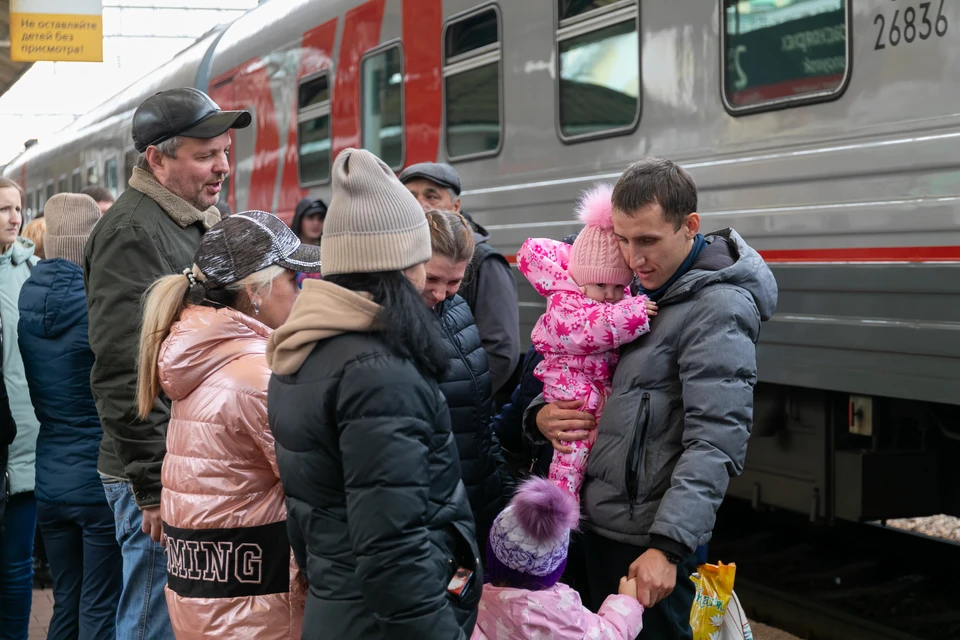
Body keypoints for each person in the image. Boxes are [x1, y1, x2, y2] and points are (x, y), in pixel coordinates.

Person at [525, 158, 777, 639]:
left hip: (646, 546)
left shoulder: (717, 307)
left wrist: (668, 548)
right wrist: (542, 415)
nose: (632, 257)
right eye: (622, 239)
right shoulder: (630, 287)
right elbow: (571, 366)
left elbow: (716, 441)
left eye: (647, 241)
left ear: (690, 227)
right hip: (599, 524)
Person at [267, 148, 480, 639]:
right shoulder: (377, 372)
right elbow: (394, 550)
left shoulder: (309, 346)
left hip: (341, 607)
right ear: (400, 264)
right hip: (380, 624)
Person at [84, 87, 251, 639]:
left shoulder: (182, 219)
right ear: (157, 157)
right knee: (154, 617)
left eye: (225, 152)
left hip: (181, 459)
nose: (223, 166)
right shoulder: (133, 233)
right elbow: (121, 370)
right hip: (154, 469)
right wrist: (153, 487)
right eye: (206, 155)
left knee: (173, 613)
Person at [136, 211, 316, 639]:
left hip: (206, 598)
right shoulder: (256, 376)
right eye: (294, 279)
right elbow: (316, 485)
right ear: (256, 291)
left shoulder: (199, 357)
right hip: (258, 608)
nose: (301, 291)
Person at [18, 193, 121, 639]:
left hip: (50, 478)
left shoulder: (28, 298)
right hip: (96, 479)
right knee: (99, 604)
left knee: (67, 600)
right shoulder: (95, 300)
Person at [518, 184, 655, 503]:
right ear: (580, 280)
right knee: (573, 450)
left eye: (619, 286)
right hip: (573, 389)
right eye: (600, 284)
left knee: (583, 441)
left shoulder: (610, 302)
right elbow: (586, 331)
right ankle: (559, 506)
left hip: (589, 389)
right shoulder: (566, 303)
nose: (609, 294)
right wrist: (632, 312)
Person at [423, 208, 514, 552]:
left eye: (454, 282)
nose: (442, 293)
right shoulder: (393, 324)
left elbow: (481, 417)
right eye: (431, 279)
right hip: (436, 519)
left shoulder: (459, 311)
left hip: (478, 504)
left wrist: (505, 496)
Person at [399, 163, 520, 395]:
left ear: (456, 206)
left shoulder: (485, 261)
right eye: (410, 196)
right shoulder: (399, 257)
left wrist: (464, 402)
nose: (419, 204)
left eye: (431, 196)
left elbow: (501, 352)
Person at [472, 477, 644, 640]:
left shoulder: (469, 611)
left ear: (493, 555)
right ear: (556, 566)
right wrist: (627, 601)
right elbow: (612, 634)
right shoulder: (570, 621)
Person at [0, 177, 40, 639]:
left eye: (18, 208)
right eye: (5, 210)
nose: (14, 218)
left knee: (16, 566)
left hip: (26, 444)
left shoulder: (33, 271)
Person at [290, 196, 326, 287]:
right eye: (310, 217)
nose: (316, 223)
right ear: (299, 220)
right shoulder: (288, 255)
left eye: (320, 218)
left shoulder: (330, 253)